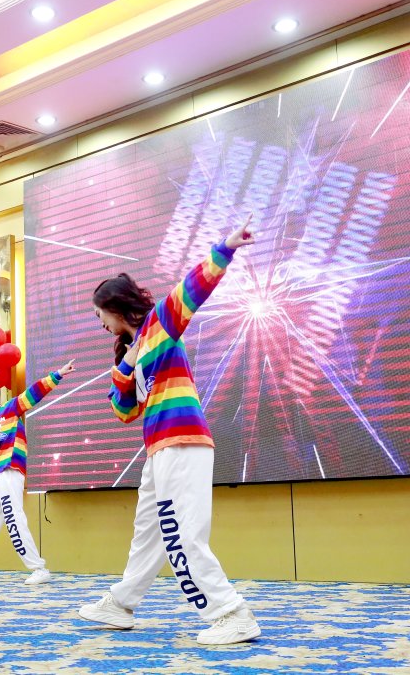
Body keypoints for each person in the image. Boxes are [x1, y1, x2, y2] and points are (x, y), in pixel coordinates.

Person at [78, 217, 261, 646]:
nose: (99, 322)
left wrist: (224, 249)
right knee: (149, 531)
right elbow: (123, 410)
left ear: (113, 307)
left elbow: (189, 290)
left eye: (99, 314)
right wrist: (123, 367)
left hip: (182, 441)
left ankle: (231, 613)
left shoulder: (160, 325)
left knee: (182, 532)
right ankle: (121, 603)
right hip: (158, 447)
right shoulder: (136, 350)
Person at [0, 360, 75, 585]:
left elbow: (33, 394)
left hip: (10, 469)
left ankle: (38, 568)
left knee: (13, 518)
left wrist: (57, 374)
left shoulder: (10, 408)